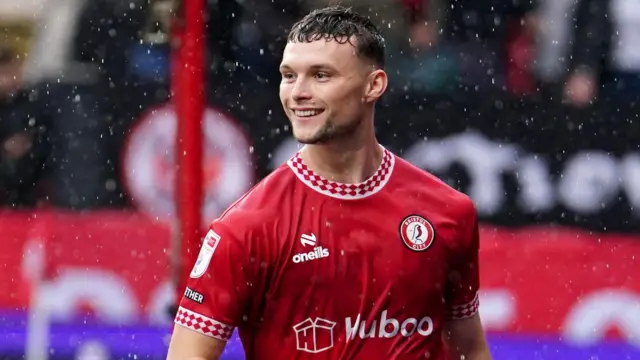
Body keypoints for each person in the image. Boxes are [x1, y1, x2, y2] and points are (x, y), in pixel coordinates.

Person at [167, 5, 491, 360]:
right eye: (289, 75)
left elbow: (470, 350)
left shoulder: (449, 212)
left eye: (321, 75)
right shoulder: (244, 228)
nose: (298, 92)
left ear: (374, 85)